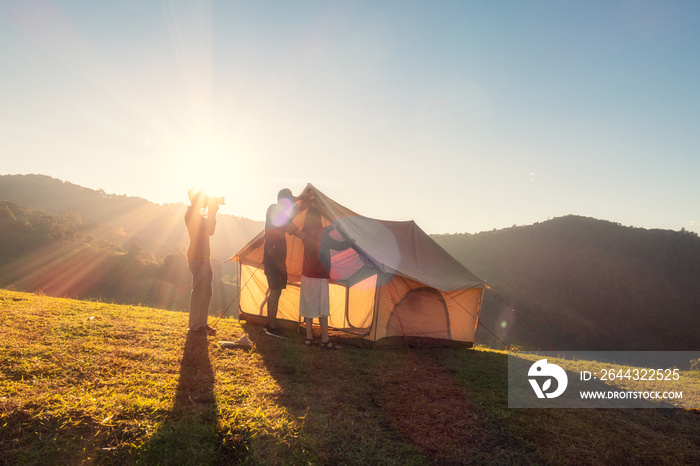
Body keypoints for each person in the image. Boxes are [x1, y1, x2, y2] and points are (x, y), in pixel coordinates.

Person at [299, 207, 352, 349]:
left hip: (306, 275)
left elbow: (321, 232)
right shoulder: (322, 234)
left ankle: (309, 338)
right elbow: (337, 245)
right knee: (322, 308)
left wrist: (331, 227)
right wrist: (350, 243)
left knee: (308, 307)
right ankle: (325, 340)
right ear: (318, 219)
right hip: (319, 275)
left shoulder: (305, 233)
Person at [262, 188, 301, 339]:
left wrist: (300, 198)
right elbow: (294, 230)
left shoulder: (274, 209)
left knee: (275, 291)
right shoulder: (276, 211)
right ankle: (271, 327)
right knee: (275, 291)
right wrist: (309, 237)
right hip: (274, 261)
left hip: (275, 260)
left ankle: (271, 325)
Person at [185, 188, 221, 335]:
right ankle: (195, 325)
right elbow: (211, 230)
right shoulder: (192, 214)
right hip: (198, 257)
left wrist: (213, 207)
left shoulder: (195, 213)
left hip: (203, 257)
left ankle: (202, 324)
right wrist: (213, 211)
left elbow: (209, 230)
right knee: (200, 291)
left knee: (206, 291)